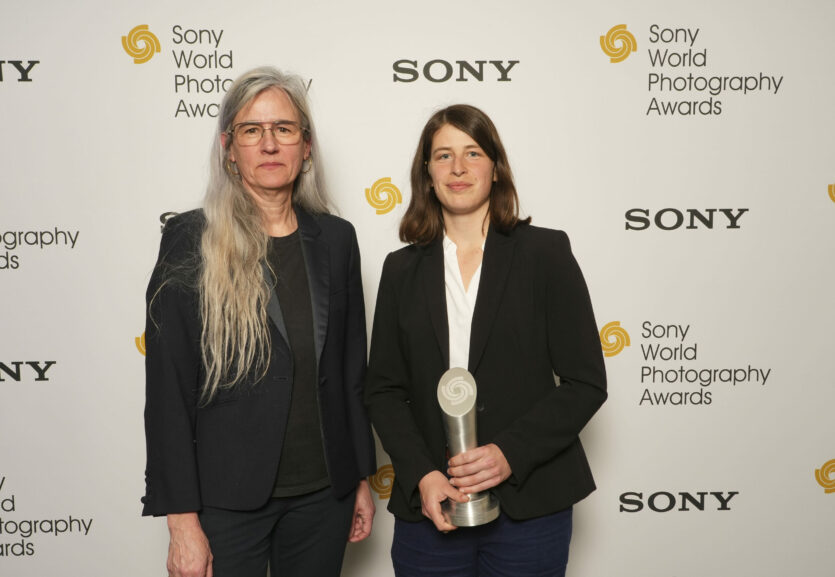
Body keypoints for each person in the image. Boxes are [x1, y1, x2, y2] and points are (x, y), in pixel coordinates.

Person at [142, 66, 376, 577]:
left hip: (323, 498)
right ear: (229, 147)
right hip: (226, 501)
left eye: (284, 129)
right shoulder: (190, 239)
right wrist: (182, 522)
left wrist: (359, 475)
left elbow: (349, 372)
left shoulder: (337, 240)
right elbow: (168, 391)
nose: (269, 145)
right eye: (252, 131)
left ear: (306, 146)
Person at [364, 104, 607, 577]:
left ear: (495, 169)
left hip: (531, 505)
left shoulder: (546, 254)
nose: (458, 168)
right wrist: (423, 475)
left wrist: (508, 454)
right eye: (443, 156)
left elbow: (585, 383)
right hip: (431, 509)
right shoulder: (401, 270)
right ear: (427, 174)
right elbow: (383, 391)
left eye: (472, 153)